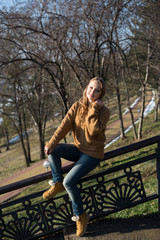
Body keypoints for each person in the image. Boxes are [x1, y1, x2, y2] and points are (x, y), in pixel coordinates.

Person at [43, 77, 110, 237]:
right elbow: (64, 126)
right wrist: (50, 143)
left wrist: (94, 108)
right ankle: (57, 181)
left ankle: (81, 216)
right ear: (86, 87)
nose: (92, 92)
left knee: (70, 182)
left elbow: (93, 131)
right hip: (78, 149)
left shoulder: (104, 111)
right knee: (54, 149)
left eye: (97, 90)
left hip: (92, 154)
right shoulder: (76, 106)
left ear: (101, 94)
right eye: (91, 88)